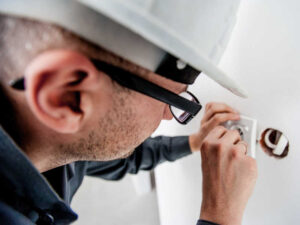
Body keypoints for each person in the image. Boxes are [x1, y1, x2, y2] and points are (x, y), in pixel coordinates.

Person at [0, 2, 257, 225]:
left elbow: (123, 158)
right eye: (171, 99)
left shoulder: (56, 142)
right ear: (66, 96)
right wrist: (219, 216)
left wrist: (195, 141)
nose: (169, 116)